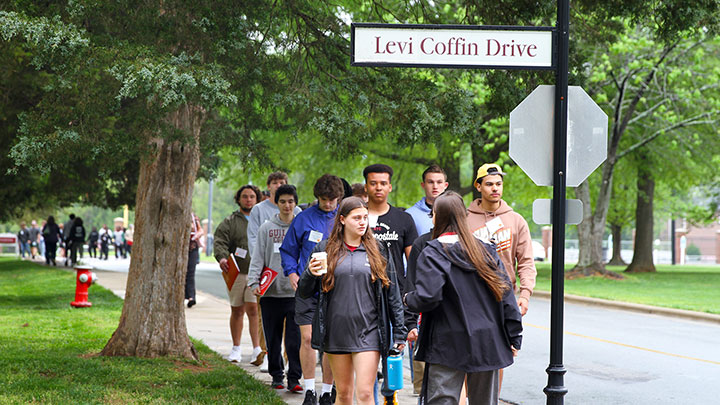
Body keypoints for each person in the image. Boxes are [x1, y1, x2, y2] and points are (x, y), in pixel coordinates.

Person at [404, 191, 523, 405]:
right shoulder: (486, 251)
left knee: (442, 400)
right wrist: (514, 336)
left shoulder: (433, 252)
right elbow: (507, 296)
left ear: (437, 217)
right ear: (463, 217)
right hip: (488, 340)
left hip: (446, 342)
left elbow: (428, 297)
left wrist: (408, 299)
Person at [297, 197, 407, 405]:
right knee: (344, 394)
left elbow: (392, 294)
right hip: (336, 331)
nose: (362, 222)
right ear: (342, 220)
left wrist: (399, 332)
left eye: (365, 217)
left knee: (365, 393)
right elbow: (304, 292)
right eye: (356, 218)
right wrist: (310, 274)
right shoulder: (325, 249)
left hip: (369, 332)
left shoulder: (379, 249)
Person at [280, 174, 344, 404]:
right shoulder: (304, 218)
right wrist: (292, 273)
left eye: (332, 199)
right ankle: (309, 389)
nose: (328, 204)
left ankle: (327, 390)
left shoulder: (343, 218)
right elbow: (288, 250)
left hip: (335, 288)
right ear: (317, 197)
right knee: (307, 339)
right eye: (323, 199)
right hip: (307, 287)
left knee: (328, 341)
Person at [248, 184, 303, 393]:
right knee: (272, 338)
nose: (287, 205)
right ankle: (277, 375)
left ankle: (294, 377)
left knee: (294, 341)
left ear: (295, 202)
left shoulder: (301, 227)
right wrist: (254, 282)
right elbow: (258, 257)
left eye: (290, 201)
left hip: (295, 293)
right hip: (270, 292)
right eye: (282, 201)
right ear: (276, 203)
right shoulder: (266, 228)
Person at [214, 184, 265, 364]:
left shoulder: (262, 219)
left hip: (255, 273)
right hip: (236, 273)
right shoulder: (230, 221)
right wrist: (221, 258)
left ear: (257, 199)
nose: (248, 199)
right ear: (239, 199)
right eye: (245, 196)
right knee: (237, 310)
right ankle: (236, 348)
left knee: (253, 310)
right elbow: (219, 241)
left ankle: (256, 349)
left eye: (252, 196)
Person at [405, 164, 449, 236]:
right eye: (430, 182)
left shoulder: (455, 213)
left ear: (445, 185)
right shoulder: (410, 215)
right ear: (423, 185)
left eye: (439, 182)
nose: (435, 186)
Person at [186, 212, 204, 308]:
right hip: (180, 248)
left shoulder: (194, 217)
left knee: (190, 272)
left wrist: (197, 235)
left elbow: (200, 230)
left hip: (192, 247)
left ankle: (191, 297)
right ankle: (183, 295)